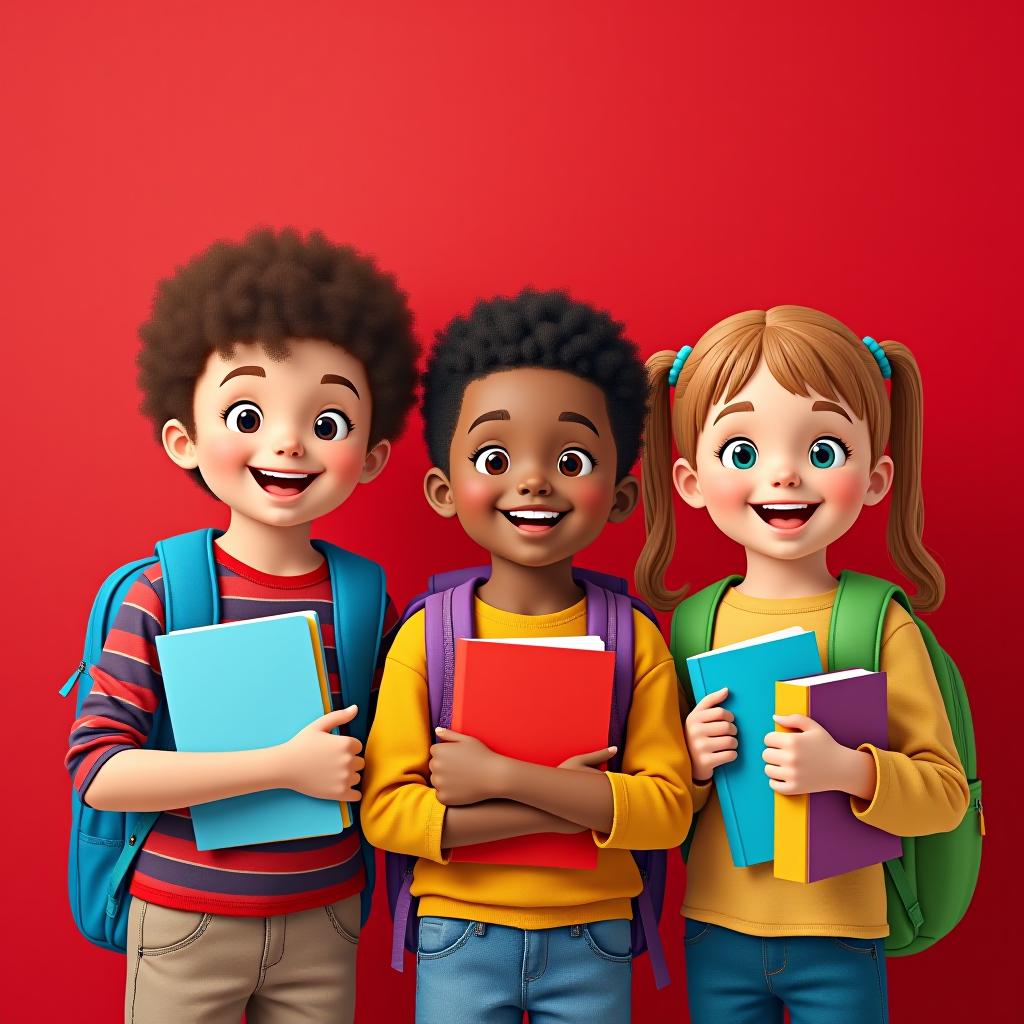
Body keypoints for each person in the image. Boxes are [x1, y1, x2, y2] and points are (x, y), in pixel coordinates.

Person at [65, 227, 418, 1024]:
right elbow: (99, 771)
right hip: (185, 921)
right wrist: (280, 767)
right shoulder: (157, 593)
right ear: (183, 438)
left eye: (327, 422)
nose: (288, 441)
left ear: (371, 455)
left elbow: (396, 753)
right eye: (249, 412)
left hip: (325, 919)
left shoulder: (367, 601)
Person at [361, 289, 695, 1024]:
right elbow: (386, 814)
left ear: (621, 496)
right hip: (457, 935)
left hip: (594, 938)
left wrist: (502, 780)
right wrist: (564, 805)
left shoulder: (635, 638)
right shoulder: (430, 635)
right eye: (494, 455)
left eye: (571, 457)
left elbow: (668, 812)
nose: (535, 479)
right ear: (444, 490)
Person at [637, 305, 969, 1024]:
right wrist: (690, 764)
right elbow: (655, 801)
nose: (784, 476)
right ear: (691, 480)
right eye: (743, 453)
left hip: (842, 934)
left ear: (877, 477)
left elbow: (946, 796)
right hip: (716, 926)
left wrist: (849, 770)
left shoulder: (879, 623)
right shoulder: (694, 624)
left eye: (823, 451)